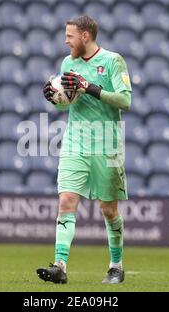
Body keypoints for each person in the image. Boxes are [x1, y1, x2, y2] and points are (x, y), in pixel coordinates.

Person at [36, 15, 132, 284]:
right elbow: (70, 103)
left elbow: (125, 101)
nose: (66, 41)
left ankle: (116, 265)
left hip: (106, 144)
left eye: (70, 36)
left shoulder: (113, 61)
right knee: (66, 201)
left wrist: (89, 87)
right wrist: (55, 100)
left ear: (85, 36)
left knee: (108, 209)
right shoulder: (68, 63)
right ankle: (60, 266)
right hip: (75, 142)